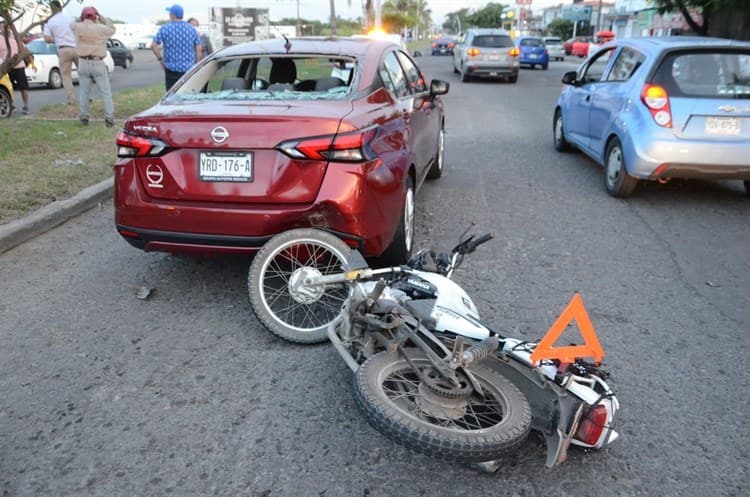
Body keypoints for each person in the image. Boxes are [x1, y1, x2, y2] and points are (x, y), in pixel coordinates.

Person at [71, 6, 115, 127]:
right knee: (105, 92)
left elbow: (72, 23)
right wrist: (100, 16)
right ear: (95, 16)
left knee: (84, 92)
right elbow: (112, 28)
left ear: (83, 16)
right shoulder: (101, 28)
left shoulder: (77, 27)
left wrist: (81, 18)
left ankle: (84, 116)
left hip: (83, 62)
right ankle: (109, 118)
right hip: (97, 61)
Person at [151, 4, 201, 91]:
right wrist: (196, 64)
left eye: (170, 13)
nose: (169, 15)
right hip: (188, 69)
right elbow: (199, 48)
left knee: (172, 95)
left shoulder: (165, 28)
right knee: (188, 94)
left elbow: (153, 45)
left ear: (173, 15)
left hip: (171, 69)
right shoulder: (191, 29)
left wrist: (160, 59)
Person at [43, 0, 78, 105]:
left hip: (63, 49)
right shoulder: (71, 19)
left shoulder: (50, 21)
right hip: (76, 48)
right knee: (83, 73)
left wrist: (56, 38)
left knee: (66, 76)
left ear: (51, 9)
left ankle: (71, 99)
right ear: (61, 8)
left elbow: (47, 39)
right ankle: (87, 96)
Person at [0, 22, 31, 115]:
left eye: (6, 27)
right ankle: (11, 105)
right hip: (6, 67)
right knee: (8, 87)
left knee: (23, 87)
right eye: (2, 27)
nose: (5, 29)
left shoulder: (15, 37)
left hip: (19, 65)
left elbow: (24, 49)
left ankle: (26, 106)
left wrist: (31, 60)